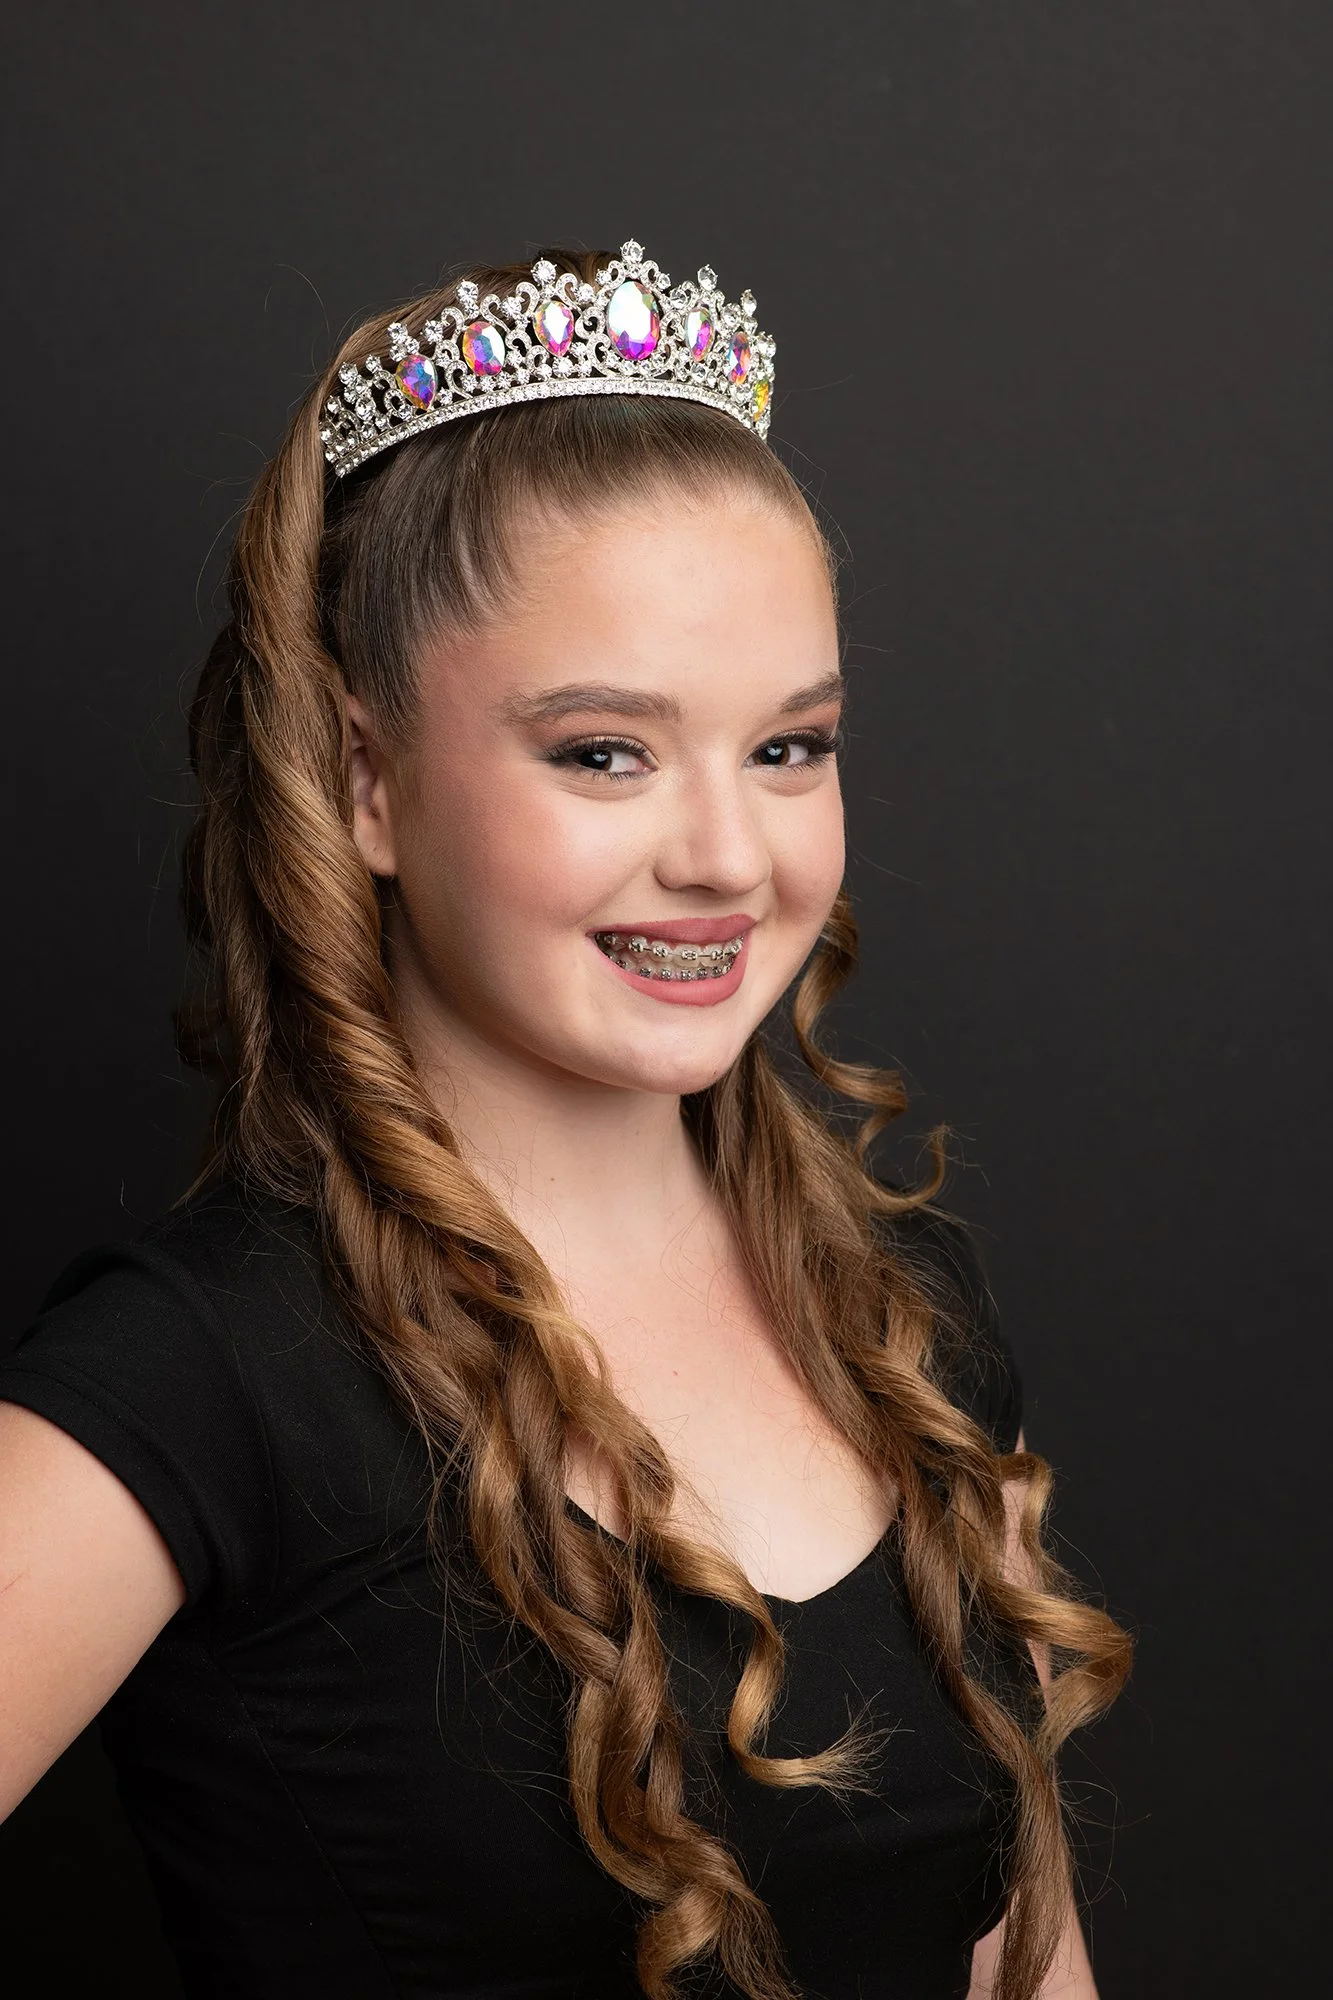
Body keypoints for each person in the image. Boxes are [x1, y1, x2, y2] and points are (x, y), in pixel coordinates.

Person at [0, 242, 1130, 2000]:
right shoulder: (202, 1374)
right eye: (605, 752)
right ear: (368, 782)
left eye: (789, 748)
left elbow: (1017, 1950)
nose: (728, 857)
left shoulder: (896, 1315)